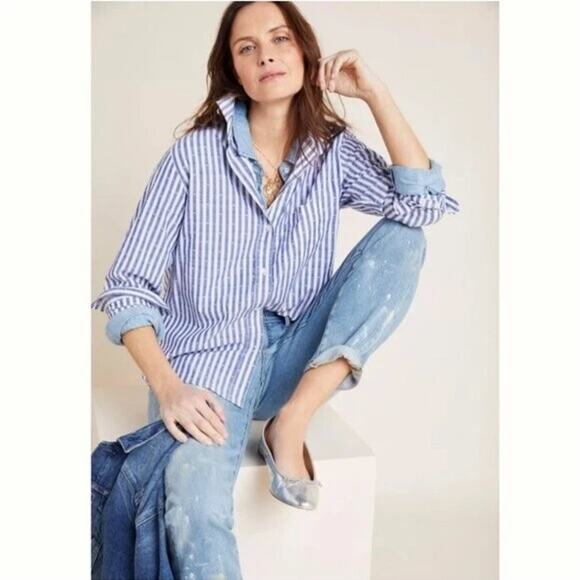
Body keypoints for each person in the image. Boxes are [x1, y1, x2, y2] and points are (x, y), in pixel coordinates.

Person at [91, 2, 460, 578]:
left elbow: (423, 204)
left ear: (305, 53)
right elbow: (128, 290)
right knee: (191, 504)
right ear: (234, 70)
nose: (265, 54)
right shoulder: (191, 157)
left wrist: (374, 92)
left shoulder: (332, 152)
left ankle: (292, 421)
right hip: (208, 370)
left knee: (405, 238)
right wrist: (168, 389)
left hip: (293, 361)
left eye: (280, 39)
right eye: (247, 47)